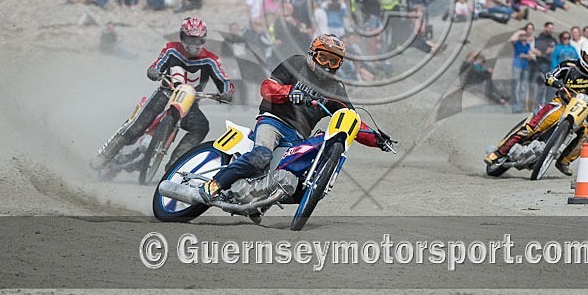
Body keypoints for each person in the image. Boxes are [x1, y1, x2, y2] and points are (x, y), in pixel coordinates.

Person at [195, 34, 393, 206]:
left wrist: (376, 139)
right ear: (312, 54)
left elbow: (350, 121)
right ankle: (214, 184)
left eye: (333, 62)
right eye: (323, 57)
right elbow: (266, 88)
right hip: (273, 121)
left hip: (297, 137)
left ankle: (258, 197)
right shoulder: (296, 64)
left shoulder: (335, 89)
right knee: (262, 155)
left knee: (299, 178)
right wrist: (288, 92)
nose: (327, 65)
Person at [90, 17, 235, 171]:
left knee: (202, 127)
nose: (193, 45)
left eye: (197, 40)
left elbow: (224, 80)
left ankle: (175, 165)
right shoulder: (171, 49)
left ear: (204, 39)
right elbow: (157, 64)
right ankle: (105, 155)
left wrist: (227, 92)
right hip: (165, 93)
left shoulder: (211, 60)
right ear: (181, 36)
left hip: (189, 103)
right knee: (136, 127)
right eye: (189, 39)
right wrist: (154, 71)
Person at [486, 39, 588, 176]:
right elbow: (550, 75)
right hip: (561, 103)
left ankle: (564, 161)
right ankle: (499, 152)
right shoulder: (568, 66)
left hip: (582, 110)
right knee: (531, 127)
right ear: (582, 54)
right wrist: (553, 81)